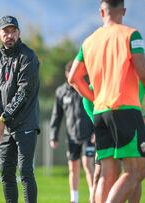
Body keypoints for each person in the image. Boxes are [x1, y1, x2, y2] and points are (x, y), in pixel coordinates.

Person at [68, 0, 145, 202]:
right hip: (125, 110)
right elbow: (144, 74)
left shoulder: (88, 42)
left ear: (101, 12)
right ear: (123, 10)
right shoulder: (131, 35)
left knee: (107, 174)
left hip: (100, 113)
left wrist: (95, 100)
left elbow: (73, 78)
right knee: (136, 172)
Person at [0, 15, 40, 203]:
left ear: (19, 33)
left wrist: (4, 116)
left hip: (26, 121)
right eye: (6, 31)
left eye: (13, 31)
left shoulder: (28, 56)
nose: (10, 35)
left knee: (25, 171)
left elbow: (23, 91)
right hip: (6, 124)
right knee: (6, 172)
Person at [83, 82, 145, 203]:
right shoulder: (136, 67)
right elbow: (85, 97)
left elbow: (75, 80)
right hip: (120, 118)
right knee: (132, 172)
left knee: (122, 173)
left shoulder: (136, 70)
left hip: (114, 118)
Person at [49, 61, 95, 203]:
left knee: (88, 164)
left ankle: (93, 196)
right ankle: (74, 199)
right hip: (72, 136)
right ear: (67, 74)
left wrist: (96, 131)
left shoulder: (87, 88)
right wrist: (53, 136)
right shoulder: (61, 92)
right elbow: (57, 115)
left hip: (88, 134)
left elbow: (96, 110)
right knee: (73, 167)